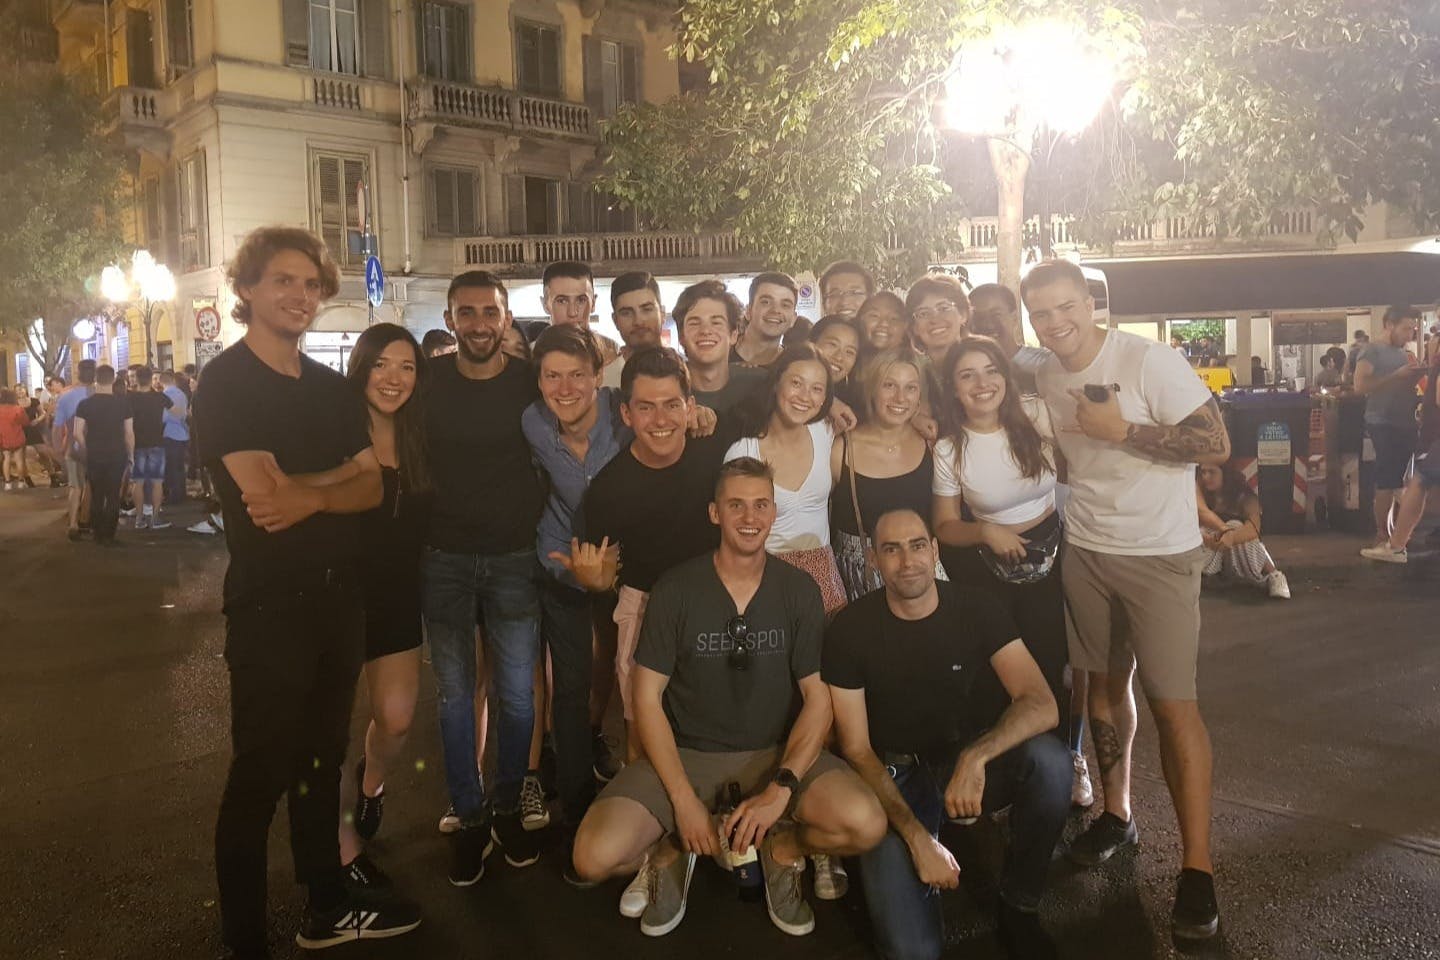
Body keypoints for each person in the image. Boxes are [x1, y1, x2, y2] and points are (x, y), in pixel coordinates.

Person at [195, 226, 417, 956]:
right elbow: (264, 499)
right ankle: (244, 937)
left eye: (311, 284)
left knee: (322, 758)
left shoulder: (328, 387)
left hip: (338, 598)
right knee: (260, 769)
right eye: (283, 281)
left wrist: (312, 492)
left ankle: (326, 903)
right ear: (248, 289)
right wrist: (335, 485)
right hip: (270, 602)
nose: (299, 295)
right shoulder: (227, 384)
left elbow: (370, 483)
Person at [570, 457, 887, 937]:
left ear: (774, 512)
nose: (749, 517)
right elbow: (647, 698)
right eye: (735, 504)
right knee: (592, 857)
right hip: (687, 756)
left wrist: (781, 789)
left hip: (772, 752)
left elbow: (817, 699)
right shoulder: (676, 588)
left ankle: (782, 850)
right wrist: (681, 800)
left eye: (761, 505)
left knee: (865, 824)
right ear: (714, 513)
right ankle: (673, 849)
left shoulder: (798, 589)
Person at [1015, 258, 1231, 941]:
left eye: (1065, 307)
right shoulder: (1045, 373)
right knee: (1103, 689)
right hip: (1087, 549)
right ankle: (1118, 812)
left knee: (1176, 708)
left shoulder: (1148, 360)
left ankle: (1197, 870)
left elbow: (1217, 444)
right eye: (1042, 313)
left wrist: (1126, 431)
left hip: (1160, 556)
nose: (1056, 323)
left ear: (1090, 302)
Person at [826, 508, 1069, 960]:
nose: (908, 561)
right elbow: (856, 749)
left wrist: (975, 758)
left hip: (964, 758)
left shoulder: (976, 607)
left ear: (934, 550)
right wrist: (919, 841)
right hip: (895, 776)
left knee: (1052, 765)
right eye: (891, 550)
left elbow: (1041, 702)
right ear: (872, 559)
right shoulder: (850, 629)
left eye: (918, 545)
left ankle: (1020, 904)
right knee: (913, 950)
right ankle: (913, 851)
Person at [562, 346, 737, 917]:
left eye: (671, 405)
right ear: (626, 414)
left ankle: (729, 823)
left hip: (718, 596)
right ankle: (661, 848)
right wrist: (594, 581)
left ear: (690, 407)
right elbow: (605, 578)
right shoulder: (608, 488)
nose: (660, 419)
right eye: (646, 407)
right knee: (643, 726)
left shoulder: (717, 455)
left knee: (724, 713)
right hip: (644, 604)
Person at [423, 270, 547, 883]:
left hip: (514, 557)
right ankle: (469, 816)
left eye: (488, 312)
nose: (477, 323)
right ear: (450, 320)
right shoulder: (427, 380)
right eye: (465, 313)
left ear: (505, 319)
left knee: (519, 696)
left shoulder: (530, 382)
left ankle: (504, 807)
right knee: (452, 696)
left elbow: (589, 401)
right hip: (441, 557)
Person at [931, 336, 1088, 806]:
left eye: (990, 370)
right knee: (1002, 673)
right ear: (953, 389)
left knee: (1059, 663)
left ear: (1006, 375)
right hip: (991, 570)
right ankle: (1006, 771)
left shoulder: (1038, 418)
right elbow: (943, 526)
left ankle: (1067, 761)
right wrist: (983, 532)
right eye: (967, 375)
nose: (982, 383)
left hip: (1056, 557)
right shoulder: (948, 448)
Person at [522, 324, 632, 846]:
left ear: (597, 376)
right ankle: (574, 802)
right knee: (569, 682)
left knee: (630, 674)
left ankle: (644, 790)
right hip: (561, 560)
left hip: (624, 564)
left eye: (577, 376)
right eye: (552, 377)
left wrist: (699, 413)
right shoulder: (533, 423)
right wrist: (573, 569)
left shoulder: (622, 412)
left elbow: (670, 417)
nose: (564, 388)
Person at [338, 323, 433, 892]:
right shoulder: (334, 431)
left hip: (399, 594)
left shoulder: (424, 435)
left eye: (407, 367)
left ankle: (371, 784)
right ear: (361, 368)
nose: (393, 378)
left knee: (395, 720)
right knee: (325, 725)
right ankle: (341, 845)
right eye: (381, 365)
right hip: (337, 593)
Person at [724, 344, 847, 615]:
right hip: (764, 573)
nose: (805, 396)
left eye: (817, 389)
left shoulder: (825, 432)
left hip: (824, 574)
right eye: (796, 383)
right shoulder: (744, 450)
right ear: (777, 382)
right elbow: (731, 527)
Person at [831, 348, 940, 602]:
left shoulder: (931, 443)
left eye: (910, 388)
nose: (900, 397)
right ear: (872, 389)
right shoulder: (840, 449)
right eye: (889, 385)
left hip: (921, 573)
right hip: (860, 576)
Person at [1356, 305, 1428, 564]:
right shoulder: (1371, 351)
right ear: (1389, 324)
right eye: (1406, 328)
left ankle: (1397, 535)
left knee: (1403, 479)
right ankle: (1381, 535)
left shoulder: (1403, 353)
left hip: (1405, 421)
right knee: (1387, 480)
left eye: (1413, 329)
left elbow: (1402, 385)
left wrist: (1413, 376)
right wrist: (1396, 376)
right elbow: (1360, 385)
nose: (1410, 334)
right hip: (1382, 422)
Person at [674, 279, 770, 414]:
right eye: (694, 323)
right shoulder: (665, 392)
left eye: (716, 322)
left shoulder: (762, 385)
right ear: (681, 336)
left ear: (734, 334)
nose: (705, 331)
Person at [1196, 464, 1290, 599]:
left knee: (1235, 526)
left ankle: (1275, 575)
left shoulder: (1244, 497)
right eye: (1203, 473)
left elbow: (1254, 528)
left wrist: (1230, 537)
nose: (1206, 477)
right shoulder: (1202, 496)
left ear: (1225, 473)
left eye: (1212, 472)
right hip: (1211, 555)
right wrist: (1209, 537)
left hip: (1239, 555)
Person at [73, 366, 132, 545]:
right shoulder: (123, 403)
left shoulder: (85, 404)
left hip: (94, 454)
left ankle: (97, 533)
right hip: (116, 453)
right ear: (113, 380)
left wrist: (85, 448)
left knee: (97, 494)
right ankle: (109, 535)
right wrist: (131, 455)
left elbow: (77, 432)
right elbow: (129, 433)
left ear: (96, 380)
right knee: (113, 494)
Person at [541, 260, 620, 364]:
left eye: (581, 300)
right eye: (562, 301)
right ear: (545, 305)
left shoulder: (613, 353)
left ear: (593, 303)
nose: (572, 312)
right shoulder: (529, 357)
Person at [54, 359, 96, 540]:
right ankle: (85, 520)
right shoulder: (99, 395)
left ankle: (73, 523)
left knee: (75, 486)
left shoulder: (66, 396)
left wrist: (57, 450)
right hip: (95, 447)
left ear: (77, 373)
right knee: (91, 485)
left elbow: (57, 427)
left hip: (73, 446)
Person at [127, 367, 174, 529]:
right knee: (157, 483)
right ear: (151, 379)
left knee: (137, 483)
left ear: (136, 379)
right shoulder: (160, 397)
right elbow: (177, 411)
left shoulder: (130, 398)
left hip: (137, 444)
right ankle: (155, 518)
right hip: (157, 443)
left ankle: (139, 519)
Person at [603, 271, 666, 388]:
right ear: (615, 320)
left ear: (662, 314)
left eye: (647, 309)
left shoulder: (687, 372)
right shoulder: (603, 382)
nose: (638, 321)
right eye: (626, 313)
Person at [733, 272, 800, 368]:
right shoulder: (719, 356)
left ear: (793, 319)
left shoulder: (794, 367)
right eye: (766, 302)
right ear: (748, 311)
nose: (776, 310)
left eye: (785, 305)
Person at [904, 273, 969, 368]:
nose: (935, 319)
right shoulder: (908, 371)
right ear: (914, 327)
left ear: (963, 314)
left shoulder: (983, 363)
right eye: (924, 313)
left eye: (943, 308)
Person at [808, 314, 864, 412]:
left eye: (850, 352)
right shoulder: (784, 386)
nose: (839, 357)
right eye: (832, 344)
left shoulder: (850, 408)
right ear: (811, 343)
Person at [159, 370, 190, 506]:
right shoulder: (182, 394)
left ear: (161, 382)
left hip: (169, 433)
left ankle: (174, 495)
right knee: (179, 466)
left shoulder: (164, 396)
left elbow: (164, 417)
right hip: (182, 433)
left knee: (171, 466)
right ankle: (181, 493)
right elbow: (184, 413)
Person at [0, 389, 29, 491]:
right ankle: (21, 482)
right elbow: (26, 422)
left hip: (3, 437)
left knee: (6, 459)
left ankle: (8, 483)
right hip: (17, 436)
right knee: (19, 459)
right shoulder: (18, 409)